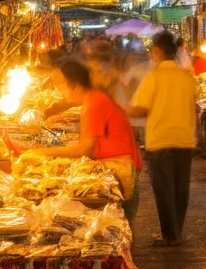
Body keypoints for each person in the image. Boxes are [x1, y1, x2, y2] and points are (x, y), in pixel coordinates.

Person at [22, 61, 143, 220]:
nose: (61, 92)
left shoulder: (94, 103)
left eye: (62, 86)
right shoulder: (92, 99)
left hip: (121, 171)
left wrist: (43, 152)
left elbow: (85, 148)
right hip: (119, 167)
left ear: (75, 85)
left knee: (118, 222)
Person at [125, 31, 198, 246]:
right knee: (180, 189)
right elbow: (193, 104)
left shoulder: (154, 76)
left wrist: (121, 110)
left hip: (161, 140)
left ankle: (170, 236)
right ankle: (177, 231)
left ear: (157, 51)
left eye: (151, 50)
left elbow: (141, 109)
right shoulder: (187, 76)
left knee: (164, 189)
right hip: (184, 139)